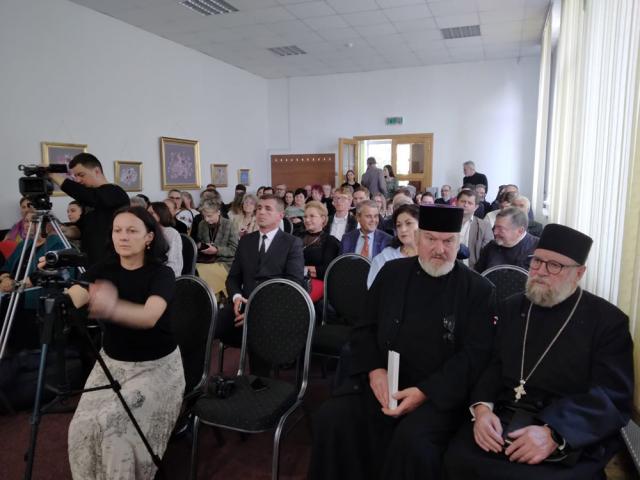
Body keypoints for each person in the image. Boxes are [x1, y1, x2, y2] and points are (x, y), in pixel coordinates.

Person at [309, 205, 495, 480]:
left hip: (437, 395)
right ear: (418, 239)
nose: (439, 249)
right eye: (431, 239)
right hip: (383, 383)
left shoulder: (478, 290)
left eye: (448, 241)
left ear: (459, 244)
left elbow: (474, 356)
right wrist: (375, 372)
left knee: (412, 443)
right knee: (332, 418)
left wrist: (424, 392)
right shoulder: (392, 273)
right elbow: (364, 329)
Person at [444, 223, 633, 480]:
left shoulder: (608, 321)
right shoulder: (511, 307)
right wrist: (482, 409)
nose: (541, 271)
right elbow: (492, 364)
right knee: (458, 459)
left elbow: (611, 395)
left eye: (555, 265)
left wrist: (555, 434)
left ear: (579, 273)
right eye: (537, 262)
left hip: (566, 425)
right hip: (504, 416)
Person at [64, 206, 184, 480]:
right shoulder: (105, 268)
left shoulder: (161, 274)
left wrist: (111, 306)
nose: (123, 237)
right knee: (81, 427)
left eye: (132, 231)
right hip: (113, 363)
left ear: (149, 237)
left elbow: (149, 316)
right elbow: (82, 290)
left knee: (116, 433)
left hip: (156, 368)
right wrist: (64, 296)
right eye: (117, 230)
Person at [217, 195, 304, 358]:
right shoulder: (246, 241)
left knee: (258, 334)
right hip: (243, 303)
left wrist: (256, 310)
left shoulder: (292, 243)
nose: (261, 212)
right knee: (212, 322)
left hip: (273, 308)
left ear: (280, 215)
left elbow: (293, 284)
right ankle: (195, 377)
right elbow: (233, 277)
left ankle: (258, 381)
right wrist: (236, 296)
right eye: (259, 208)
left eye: (268, 209)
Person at [48, 153, 129, 266]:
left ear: (96, 171)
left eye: (81, 175)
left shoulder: (115, 192)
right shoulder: (89, 199)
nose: (78, 180)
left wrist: (53, 175)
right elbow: (80, 230)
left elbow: (90, 196)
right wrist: (63, 230)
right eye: (75, 176)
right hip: (90, 262)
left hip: (112, 262)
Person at [366, 204, 418, 288]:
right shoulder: (386, 257)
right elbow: (374, 291)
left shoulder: (432, 255)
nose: (403, 229)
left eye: (408, 223)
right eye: (399, 225)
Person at [298, 201, 340, 302]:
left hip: (316, 283)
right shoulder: (296, 237)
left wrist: (300, 269)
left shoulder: (330, 241)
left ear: (323, 219)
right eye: (305, 216)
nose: (307, 220)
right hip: (294, 280)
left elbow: (326, 270)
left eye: (312, 216)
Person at [195, 201, 238, 298]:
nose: (206, 219)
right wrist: (200, 246)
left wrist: (217, 250)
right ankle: (211, 300)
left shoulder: (230, 225)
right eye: (204, 216)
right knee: (195, 271)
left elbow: (234, 249)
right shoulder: (202, 224)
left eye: (209, 216)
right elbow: (200, 242)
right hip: (206, 260)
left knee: (206, 272)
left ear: (218, 212)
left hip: (225, 262)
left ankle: (214, 300)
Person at [475, 207, 538, 273]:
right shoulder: (491, 246)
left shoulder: (537, 249)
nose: (495, 232)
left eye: (500, 229)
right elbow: (478, 275)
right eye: (495, 227)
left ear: (520, 231)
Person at [457, 190, 494, 270]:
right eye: (463, 201)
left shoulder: (484, 226)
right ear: (456, 202)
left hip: (472, 270)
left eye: (470, 203)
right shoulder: (446, 222)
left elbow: (488, 253)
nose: (465, 205)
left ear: (476, 207)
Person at [147, 202, 183, 277]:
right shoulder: (146, 232)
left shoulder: (171, 233)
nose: (147, 216)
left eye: (151, 213)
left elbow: (174, 264)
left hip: (165, 275)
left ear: (161, 214)